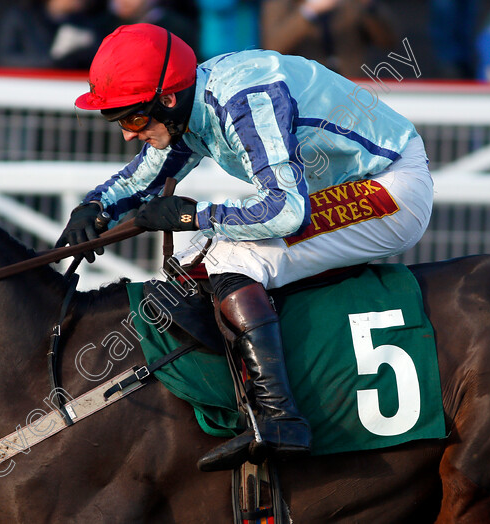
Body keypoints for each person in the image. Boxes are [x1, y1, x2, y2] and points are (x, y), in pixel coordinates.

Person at [58, 23, 433, 470]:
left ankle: (278, 417)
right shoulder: (187, 105)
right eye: (117, 121)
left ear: (168, 99)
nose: (127, 134)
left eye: (134, 119)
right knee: (190, 257)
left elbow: (283, 210)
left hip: (389, 188)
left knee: (228, 253)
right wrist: (95, 208)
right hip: (335, 191)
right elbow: (147, 174)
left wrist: (191, 215)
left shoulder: (244, 100)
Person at [260, 0, 398, 77]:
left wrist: (369, 7)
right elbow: (273, 46)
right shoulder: (280, 5)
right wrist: (309, 12)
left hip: (352, 87)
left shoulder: (351, 6)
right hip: (306, 88)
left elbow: (388, 40)